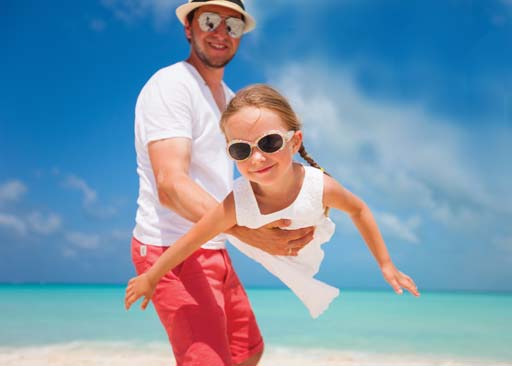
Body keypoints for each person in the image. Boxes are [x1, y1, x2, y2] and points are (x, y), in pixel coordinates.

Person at [125, 84, 421, 332]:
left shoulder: (320, 187)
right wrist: (152, 276)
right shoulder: (237, 202)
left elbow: (359, 210)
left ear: (295, 142)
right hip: (257, 245)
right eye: (240, 149)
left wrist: (385, 264)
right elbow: (192, 239)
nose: (256, 159)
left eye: (269, 142)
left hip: (306, 247)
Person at [130, 1, 315, 366]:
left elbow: (246, 178)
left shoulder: (229, 101)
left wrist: (287, 210)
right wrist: (248, 231)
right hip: (171, 248)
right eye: (211, 21)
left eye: (232, 26)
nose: (221, 33)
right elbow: (170, 186)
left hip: (215, 243)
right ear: (189, 28)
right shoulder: (171, 86)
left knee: (248, 352)